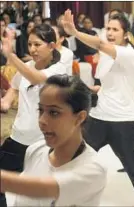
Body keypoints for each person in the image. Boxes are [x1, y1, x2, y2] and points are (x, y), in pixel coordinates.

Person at [61, 9, 134, 206]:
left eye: (115, 29)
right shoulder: (107, 53)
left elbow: (99, 43)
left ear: (126, 34)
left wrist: (75, 32)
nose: (110, 32)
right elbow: (109, 83)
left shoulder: (128, 53)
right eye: (108, 28)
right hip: (99, 118)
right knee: (75, 157)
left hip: (123, 121)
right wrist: (95, 88)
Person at [0, 74, 107, 206]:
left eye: (54, 113)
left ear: (80, 118)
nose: (42, 120)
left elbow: (41, 189)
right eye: (41, 110)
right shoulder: (36, 150)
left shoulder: (93, 169)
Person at [0, 24, 66, 207]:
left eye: (38, 44)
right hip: (18, 139)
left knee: (43, 195)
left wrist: (10, 55)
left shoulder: (59, 70)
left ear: (52, 46)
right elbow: (13, 89)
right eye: (30, 44)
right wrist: (5, 101)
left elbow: (36, 78)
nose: (32, 49)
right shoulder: (26, 66)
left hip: (43, 144)